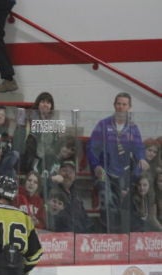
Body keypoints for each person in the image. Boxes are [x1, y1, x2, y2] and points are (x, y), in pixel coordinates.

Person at [86, 92, 148, 233]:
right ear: (114, 105)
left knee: (128, 205)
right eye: (118, 104)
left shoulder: (133, 128)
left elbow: (139, 150)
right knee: (107, 201)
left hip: (124, 175)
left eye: (124, 104)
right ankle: (107, 237)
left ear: (129, 107)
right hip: (105, 173)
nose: (121, 107)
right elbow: (91, 147)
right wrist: (96, 166)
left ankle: (124, 237)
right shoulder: (103, 125)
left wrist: (140, 162)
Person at [48, 160, 92, 233]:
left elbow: (86, 221)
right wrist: (52, 179)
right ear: (58, 173)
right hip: (59, 239)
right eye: (64, 170)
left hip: (78, 238)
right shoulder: (51, 189)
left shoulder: (76, 196)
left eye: (71, 172)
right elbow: (39, 185)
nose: (67, 174)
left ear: (74, 177)